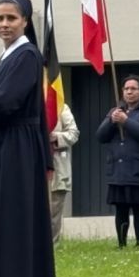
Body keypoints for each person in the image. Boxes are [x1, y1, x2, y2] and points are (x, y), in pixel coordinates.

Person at [0, 0, 56, 277]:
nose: (4, 24)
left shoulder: (27, 55)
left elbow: (5, 102)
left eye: (11, 18)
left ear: (25, 21)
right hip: (7, 144)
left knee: (15, 220)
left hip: (17, 147)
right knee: (7, 220)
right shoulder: (9, 56)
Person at [96, 75, 139, 248]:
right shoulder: (116, 110)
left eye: (133, 89)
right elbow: (100, 136)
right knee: (120, 208)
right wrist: (111, 120)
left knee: (138, 207)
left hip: (138, 168)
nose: (129, 92)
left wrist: (126, 121)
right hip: (118, 169)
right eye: (126, 89)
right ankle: (121, 244)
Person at [49, 103, 80, 243]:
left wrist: (55, 137)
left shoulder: (60, 106)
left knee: (53, 213)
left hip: (56, 167)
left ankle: (51, 247)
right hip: (30, 167)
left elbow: (73, 134)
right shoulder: (27, 105)